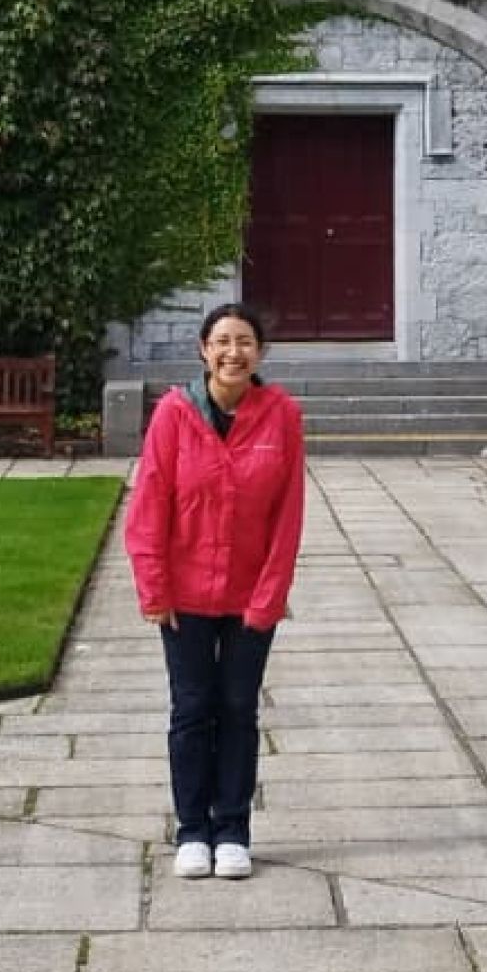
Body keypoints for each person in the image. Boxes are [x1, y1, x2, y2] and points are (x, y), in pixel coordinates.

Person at [121, 301, 306, 881]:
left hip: (252, 597)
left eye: (244, 341)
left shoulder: (281, 415)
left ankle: (233, 829)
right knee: (192, 709)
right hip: (185, 596)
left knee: (238, 709)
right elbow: (149, 505)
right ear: (204, 349)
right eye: (222, 341)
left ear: (260, 352)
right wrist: (154, 588)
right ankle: (192, 830)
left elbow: (288, 515)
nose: (233, 352)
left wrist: (269, 596)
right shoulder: (174, 415)